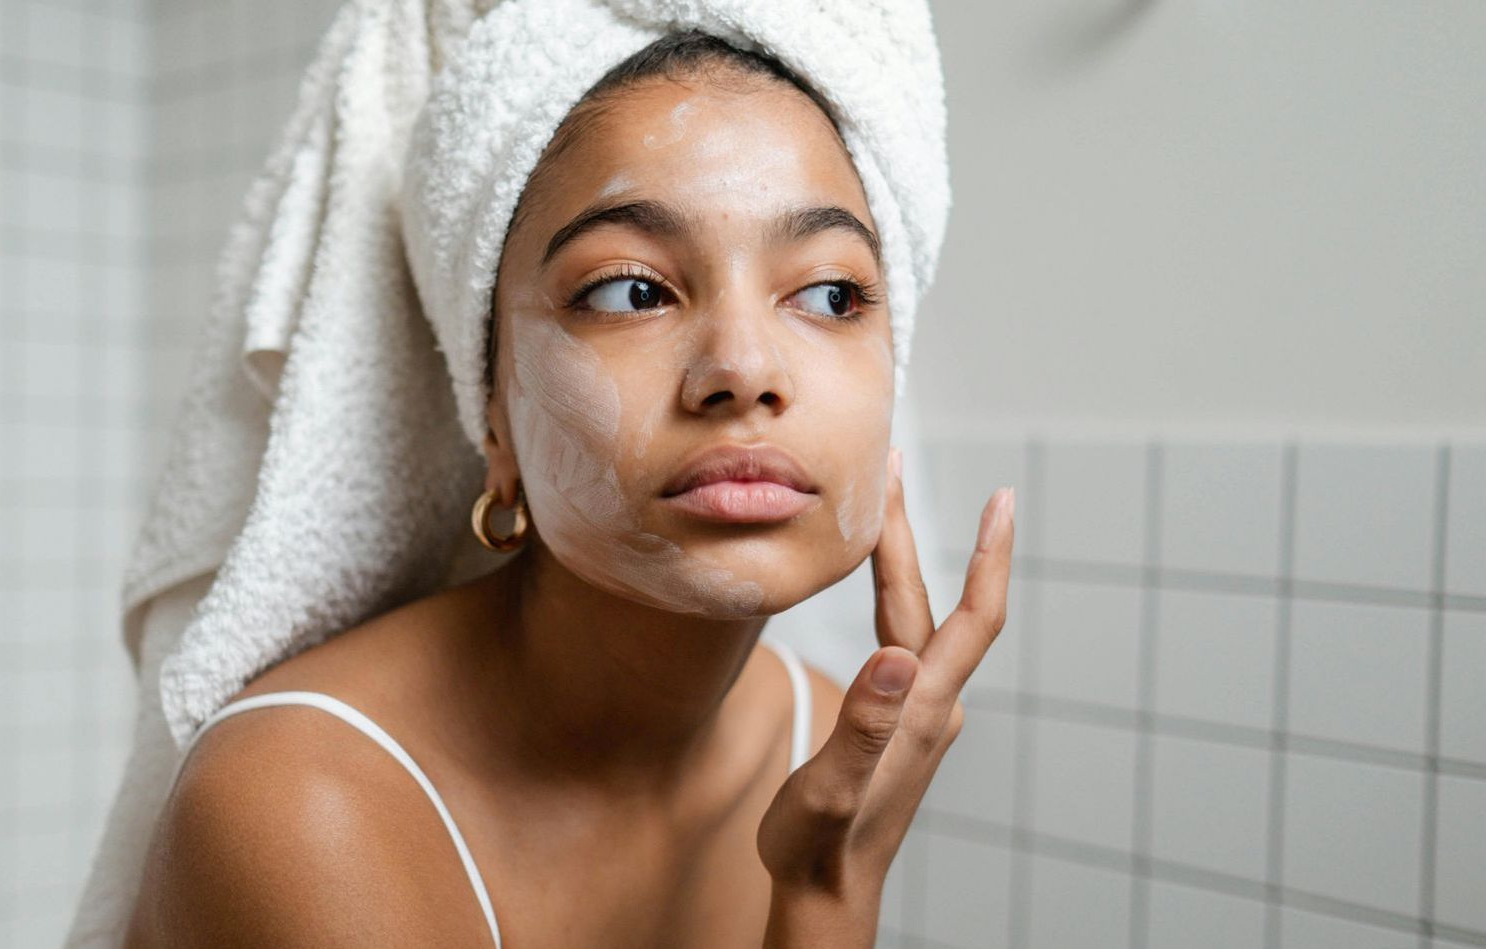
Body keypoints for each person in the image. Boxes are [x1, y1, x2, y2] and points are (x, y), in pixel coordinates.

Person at [123, 30, 1014, 949]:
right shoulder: (300, 804)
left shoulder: (834, 743)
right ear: (493, 418)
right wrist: (830, 892)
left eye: (830, 294)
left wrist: (831, 864)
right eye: (632, 292)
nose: (744, 370)